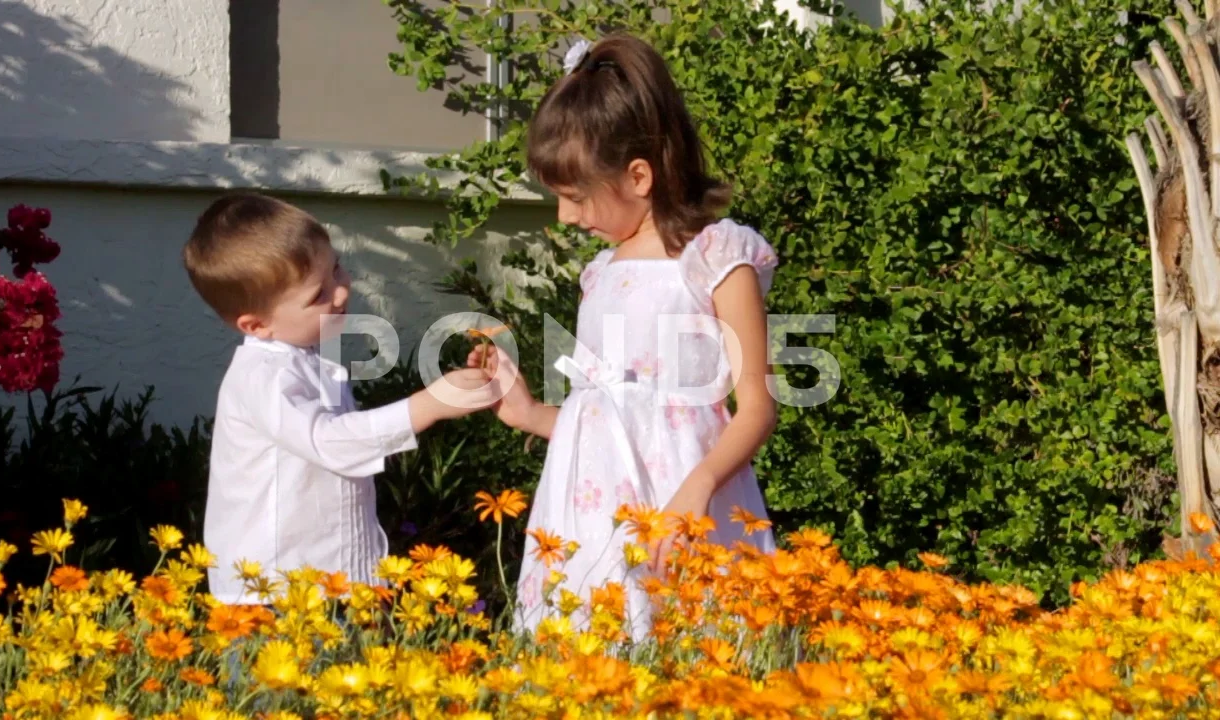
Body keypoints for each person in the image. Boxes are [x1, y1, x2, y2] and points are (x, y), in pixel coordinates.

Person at [470, 33, 780, 639]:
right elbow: (608, 418)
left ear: (638, 176)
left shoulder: (715, 258)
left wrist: (697, 490)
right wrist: (531, 413)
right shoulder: (600, 275)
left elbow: (757, 407)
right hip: (592, 517)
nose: (564, 216)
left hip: (683, 504)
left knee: (689, 656)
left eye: (575, 197)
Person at [183, 192, 497, 604]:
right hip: (274, 595)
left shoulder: (306, 357)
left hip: (328, 583)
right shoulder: (264, 376)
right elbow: (329, 441)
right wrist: (426, 406)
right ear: (256, 324)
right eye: (318, 295)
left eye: (336, 269)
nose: (341, 291)